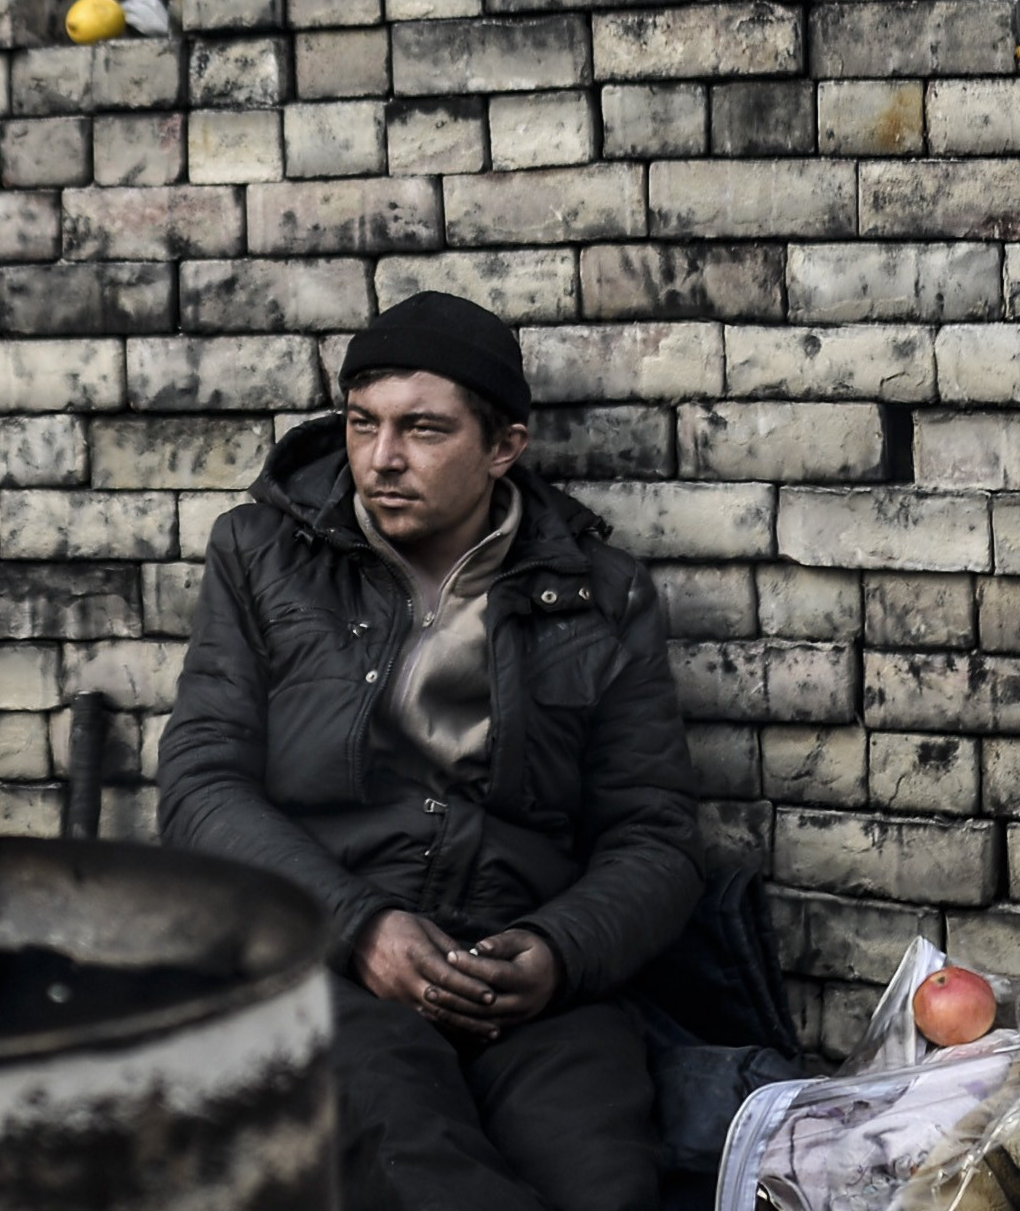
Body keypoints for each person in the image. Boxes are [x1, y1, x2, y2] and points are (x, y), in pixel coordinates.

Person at [160, 290, 701, 1211]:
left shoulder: (601, 596)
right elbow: (200, 788)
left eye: (422, 429)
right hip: (323, 965)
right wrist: (359, 925)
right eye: (362, 423)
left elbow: (655, 836)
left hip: (520, 975)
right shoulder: (258, 554)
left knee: (604, 1183)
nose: (381, 459)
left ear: (504, 448)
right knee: (415, 1164)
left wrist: (554, 951)